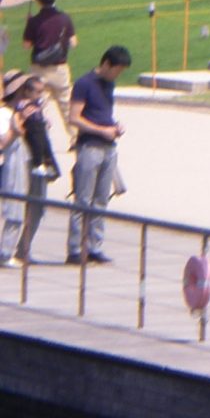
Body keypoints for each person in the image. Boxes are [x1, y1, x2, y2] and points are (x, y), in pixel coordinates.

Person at [67, 45, 131, 265]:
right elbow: (74, 117)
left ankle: (95, 246)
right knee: (83, 199)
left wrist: (113, 126)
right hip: (89, 147)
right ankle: (75, 248)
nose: (118, 74)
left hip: (108, 147)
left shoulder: (109, 84)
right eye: (117, 70)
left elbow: (103, 113)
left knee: (101, 200)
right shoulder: (84, 84)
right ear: (106, 64)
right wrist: (100, 130)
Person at [0, 71, 56, 267]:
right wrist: (19, 124)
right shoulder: (5, 113)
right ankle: (5, 252)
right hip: (17, 162)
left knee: (37, 207)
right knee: (16, 208)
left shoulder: (33, 110)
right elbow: (2, 144)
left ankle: (23, 250)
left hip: (35, 161)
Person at [23, 0, 75, 115]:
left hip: (39, 69)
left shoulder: (34, 21)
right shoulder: (65, 17)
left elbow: (26, 45)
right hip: (59, 68)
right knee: (67, 109)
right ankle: (75, 134)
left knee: (35, 107)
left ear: (37, 0)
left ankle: (37, 132)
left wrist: (28, 23)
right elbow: (73, 42)